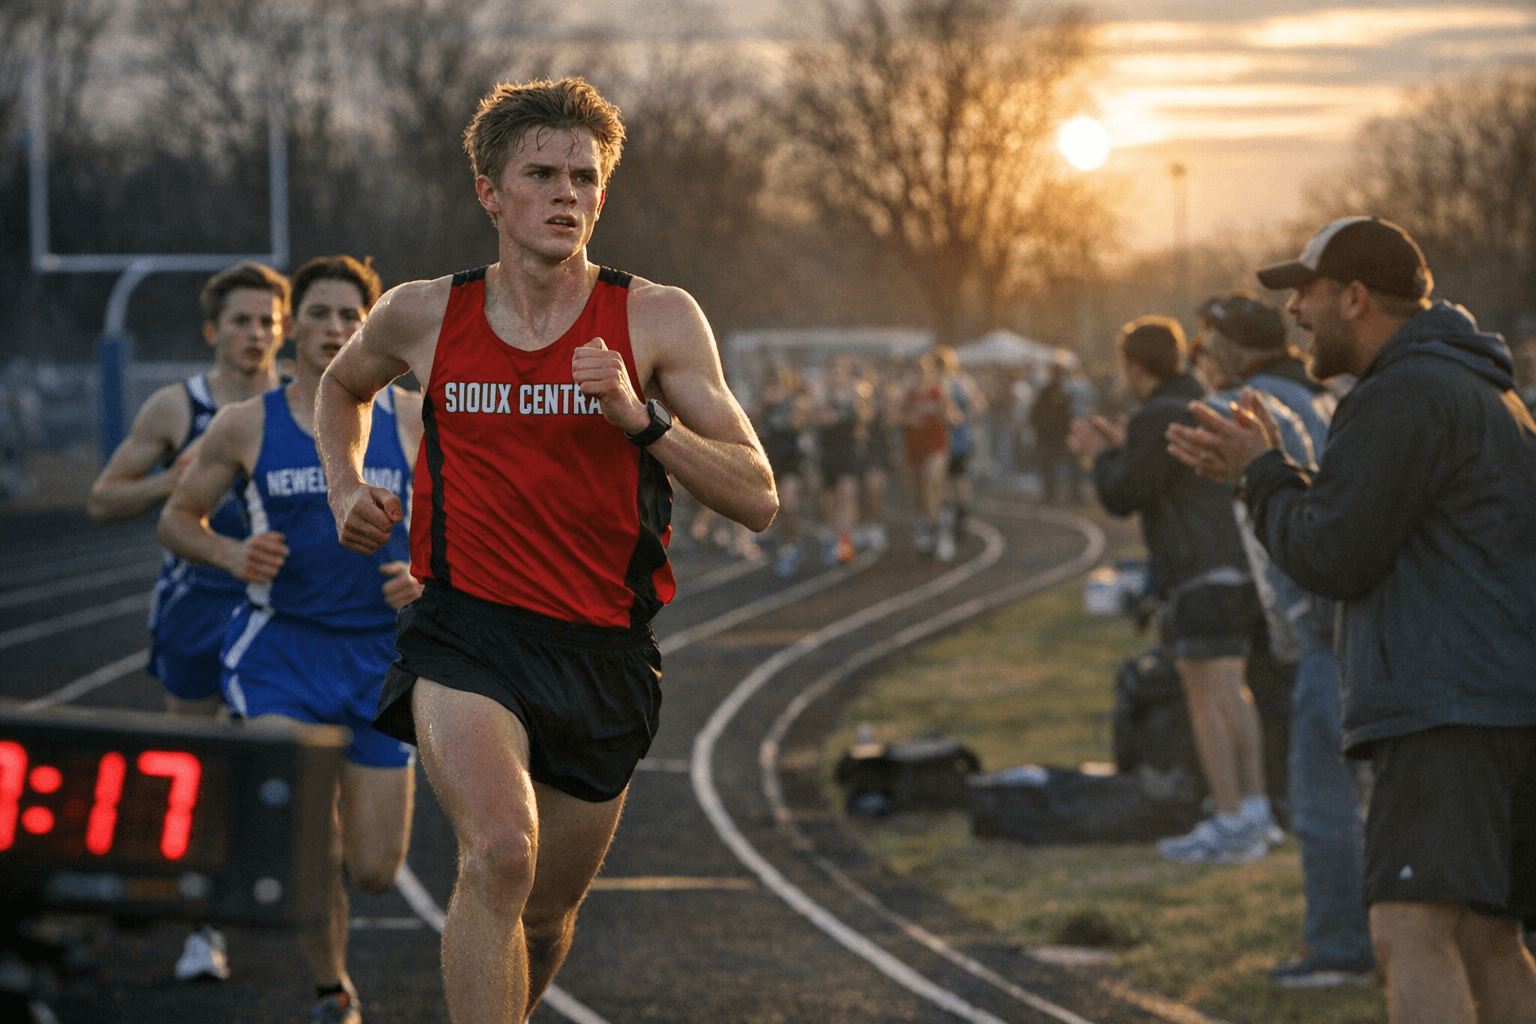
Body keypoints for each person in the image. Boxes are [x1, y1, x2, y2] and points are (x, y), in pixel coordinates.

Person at [312, 78, 778, 1024]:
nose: (566, 193)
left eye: (584, 176)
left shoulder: (655, 319)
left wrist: (641, 422)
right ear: (490, 193)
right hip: (466, 634)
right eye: (542, 174)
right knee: (499, 854)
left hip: (603, 648)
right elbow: (340, 386)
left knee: (546, 912)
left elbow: (757, 496)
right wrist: (345, 487)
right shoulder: (422, 313)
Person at [1168, 216, 1536, 1024]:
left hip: (1447, 711)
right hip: (1501, 704)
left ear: (1356, 298)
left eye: (1306, 293)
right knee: (1487, 938)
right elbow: (1370, 523)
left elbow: (1333, 554)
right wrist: (1275, 475)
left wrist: (1259, 474)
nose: (1294, 311)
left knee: (1409, 934)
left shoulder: (1401, 394)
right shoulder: (1481, 388)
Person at [160, 255, 419, 1024]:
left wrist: (430, 581)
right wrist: (230, 554)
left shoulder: (411, 418)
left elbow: (468, 521)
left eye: (352, 317)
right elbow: (179, 519)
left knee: (373, 869)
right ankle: (330, 989)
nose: (336, 329)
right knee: (306, 828)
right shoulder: (248, 424)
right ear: (292, 325)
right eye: (320, 314)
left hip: (380, 660)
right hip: (280, 653)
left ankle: (325, 886)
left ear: (369, 328)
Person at [85, 259, 290, 983]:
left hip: (276, 608)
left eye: (267, 321)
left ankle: (280, 909)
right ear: (213, 331)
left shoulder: (301, 404)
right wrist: (177, 479)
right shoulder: (178, 408)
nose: (255, 334)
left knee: (277, 762)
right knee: (195, 764)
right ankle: (202, 930)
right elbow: (103, 499)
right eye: (241, 321)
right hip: (195, 605)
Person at [1195, 292, 1375, 987]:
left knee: (1320, 792)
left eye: (1209, 347)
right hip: (1353, 612)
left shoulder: (1251, 399)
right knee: (1363, 792)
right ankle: (1380, 936)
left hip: (1322, 619)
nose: (1203, 362)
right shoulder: (1317, 394)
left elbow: (1295, 503)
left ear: (1238, 349)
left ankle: (1340, 947)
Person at [1068, 316, 1278, 865]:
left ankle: (1230, 819)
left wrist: (1100, 457)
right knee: (1236, 693)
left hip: (1194, 574)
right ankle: (1256, 810)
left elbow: (1124, 493)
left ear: (1136, 369)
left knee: (1205, 698)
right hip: (1237, 569)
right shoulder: (1201, 403)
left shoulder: (1155, 415)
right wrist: (1127, 446)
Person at [813, 354, 873, 564]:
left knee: (848, 493)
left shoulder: (858, 392)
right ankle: (833, 535)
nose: (836, 375)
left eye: (840, 371)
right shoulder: (821, 392)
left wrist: (854, 415)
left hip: (849, 451)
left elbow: (865, 420)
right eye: (833, 371)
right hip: (828, 452)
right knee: (829, 501)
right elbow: (817, 417)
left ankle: (846, 541)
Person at [753, 359, 810, 576]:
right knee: (770, 506)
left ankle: (790, 545)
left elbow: (800, 421)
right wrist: (765, 403)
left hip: (792, 458)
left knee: (788, 503)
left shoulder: (797, 400)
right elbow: (752, 421)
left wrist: (788, 405)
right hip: (770, 458)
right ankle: (785, 542)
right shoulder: (765, 402)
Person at [935, 345, 985, 561]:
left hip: (949, 440)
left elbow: (978, 405)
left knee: (948, 481)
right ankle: (959, 517)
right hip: (960, 439)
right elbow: (980, 405)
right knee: (959, 479)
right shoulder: (964, 381)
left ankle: (952, 520)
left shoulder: (943, 383)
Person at [902, 351, 952, 556]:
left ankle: (939, 532)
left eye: (925, 370)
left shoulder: (939, 391)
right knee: (919, 492)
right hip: (914, 447)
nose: (921, 374)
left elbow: (954, 416)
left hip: (935, 445)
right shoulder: (907, 394)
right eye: (917, 370)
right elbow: (892, 416)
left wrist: (943, 413)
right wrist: (908, 418)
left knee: (931, 482)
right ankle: (925, 524)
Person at [1028, 361, 1078, 504]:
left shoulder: (1063, 393)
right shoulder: (1051, 393)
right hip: (1050, 436)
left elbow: (1067, 415)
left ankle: (1063, 495)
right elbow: (1036, 414)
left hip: (1056, 436)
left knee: (1058, 465)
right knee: (1051, 466)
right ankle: (1053, 495)